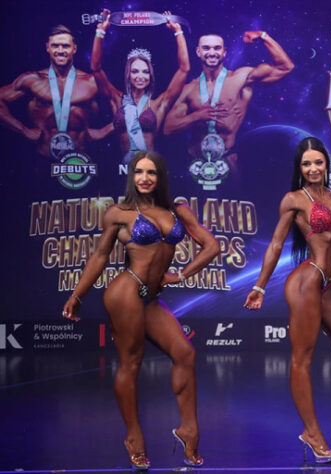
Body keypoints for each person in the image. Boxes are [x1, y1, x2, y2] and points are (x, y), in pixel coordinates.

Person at [61, 151, 220, 470]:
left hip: (150, 298)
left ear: (160, 177)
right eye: (138, 172)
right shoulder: (119, 213)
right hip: (126, 291)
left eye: (151, 172)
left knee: (185, 354)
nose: (144, 178)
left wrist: (181, 275)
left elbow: (212, 246)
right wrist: (77, 294)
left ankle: (188, 430)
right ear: (131, 176)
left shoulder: (177, 211)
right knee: (131, 362)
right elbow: (100, 255)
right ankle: (133, 437)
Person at [244, 137, 331, 463]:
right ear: (300, 168)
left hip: (325, 285)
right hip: (306, 281)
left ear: (326, 164)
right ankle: (311, 432)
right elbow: (276, 245)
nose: (313, 169)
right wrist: (260, 286)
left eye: (318, 162)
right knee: (302, 358)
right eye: (306, 164)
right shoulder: (294, 199)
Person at [163, 30, 294, 172]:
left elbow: (285, 67)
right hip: (195, 162)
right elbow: (168, 129)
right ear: (198, 52)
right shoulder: (188, 89)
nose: (212, 53)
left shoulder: (241, 78)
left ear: (224, 52)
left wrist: (263, 36)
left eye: (217, 48)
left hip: (227, 159)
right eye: (206, 48)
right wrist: (196, 116)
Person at [91, 9, 189, 162]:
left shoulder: (159, 104)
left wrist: (178, 32)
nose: (140, 76)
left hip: (149, 165)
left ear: (150, 76)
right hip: (123, 167)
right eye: (135, 71)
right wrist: (100, 32)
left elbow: (184, 69)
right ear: (128, 74)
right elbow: (96, 68)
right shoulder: (116, 99)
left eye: (145, 72)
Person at [0, 25, 109, 158]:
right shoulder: (33, 80)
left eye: (65, 46)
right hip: (42, 157)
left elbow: (124, 104)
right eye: (55, 46)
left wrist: (104, 131)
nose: (60, 50)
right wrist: (23, 130)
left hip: (79, 161)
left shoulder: (91, 82)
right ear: (48, 48)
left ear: (74, 49)